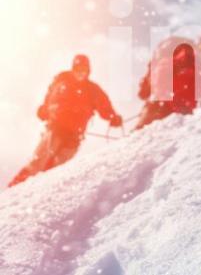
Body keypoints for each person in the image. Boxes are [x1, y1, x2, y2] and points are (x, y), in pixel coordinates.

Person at [9, 55, 122, 186]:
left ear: (88, 71)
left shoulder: (92, 90)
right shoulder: (62, 80)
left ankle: (41, 190)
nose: (80, 73)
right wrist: (44, 109)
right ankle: (15, 186)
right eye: (78, 69)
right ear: (73, 69)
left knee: (56, 169)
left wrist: (113, 117)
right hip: (55, 129)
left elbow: (104, 105)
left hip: (74, 136)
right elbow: (51, 96)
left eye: (84, 70)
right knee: (38, 162)